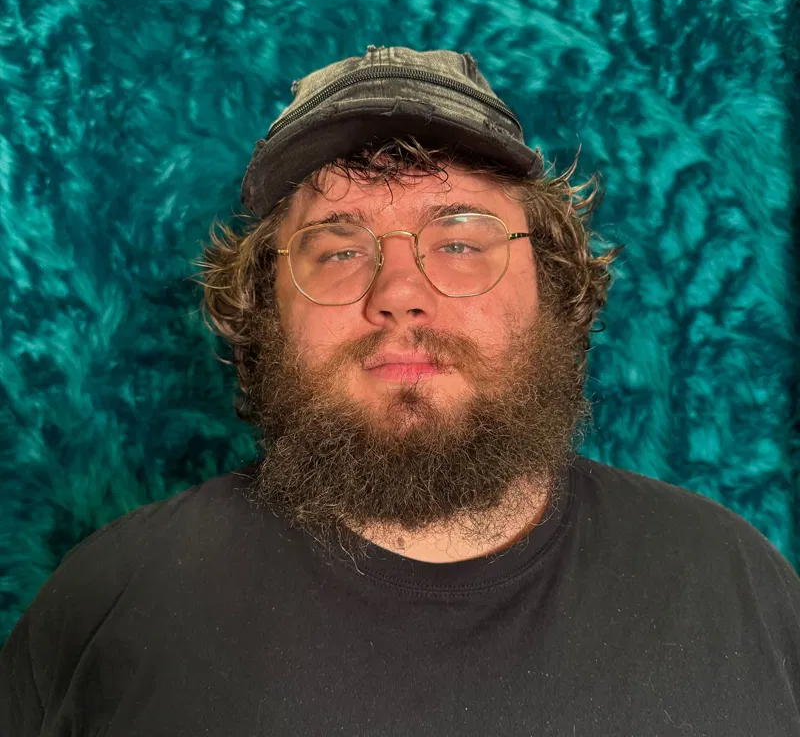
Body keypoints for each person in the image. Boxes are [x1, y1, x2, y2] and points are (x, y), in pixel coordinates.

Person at [1, 46, 798, 735]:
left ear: (554, 288)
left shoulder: (738, 589)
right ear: (261, 313)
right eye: (338, 251)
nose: (400, 293)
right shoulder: (106, 605)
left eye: (460, 241)